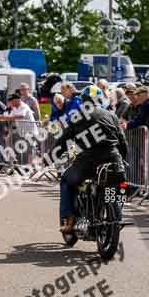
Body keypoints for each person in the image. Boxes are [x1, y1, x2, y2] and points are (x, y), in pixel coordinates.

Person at [57, 85, 128, 233]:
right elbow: (123, 142)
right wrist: (123, 159)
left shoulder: (78, 116)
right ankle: (117, 214)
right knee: (117, 187)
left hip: (88, 163)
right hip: (113, 160)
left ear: (83, 101)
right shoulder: (111, 115)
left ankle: (69, 220)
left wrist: (54, 155)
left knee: (65, 179)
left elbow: (64, 140)